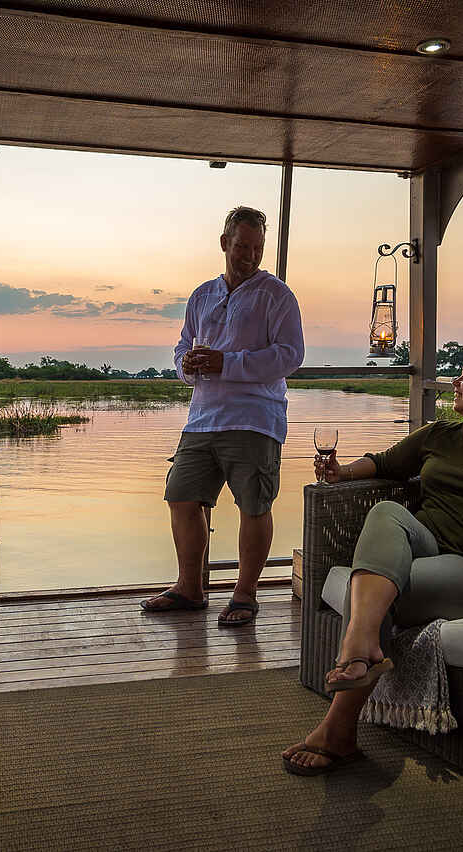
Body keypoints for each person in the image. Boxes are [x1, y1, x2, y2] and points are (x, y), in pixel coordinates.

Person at [281, 347, 463, 775]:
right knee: (386, 512)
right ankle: (361, 647)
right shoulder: (441, 434)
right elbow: (385, 463)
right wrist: (341, 473)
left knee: (372, 592)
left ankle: (339, 723)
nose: (456, 382)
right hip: (425, 543)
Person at [141, 206, 305, 627]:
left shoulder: (277, 296)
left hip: (254, 418)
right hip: (202, 418)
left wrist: (225, 363)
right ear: (224, 243)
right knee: (181, 496)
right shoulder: (202, 295)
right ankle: (190, 589)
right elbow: (183, 347)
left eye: (257, 248)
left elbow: (290, 356)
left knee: (253, 505)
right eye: (242, 247)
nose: (250, 256)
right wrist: (186, 366)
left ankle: (245, 594)